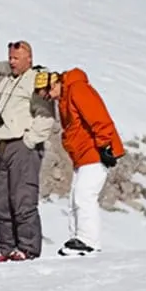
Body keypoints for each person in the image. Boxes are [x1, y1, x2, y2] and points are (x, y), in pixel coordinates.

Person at [40, 69, 124, 256]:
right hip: (82, 156)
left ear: (53, 84)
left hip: (95, 152)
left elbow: (98, 117)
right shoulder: (63, 98)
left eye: (45, 92)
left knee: (84, 195)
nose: (46, 97)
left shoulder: (77, 89)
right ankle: (77, 239)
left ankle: (89, 241)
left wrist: (104, 146)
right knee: (74, 199)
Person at [0, 40, 57, 261]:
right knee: (2, 200)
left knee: (22, 198)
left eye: (16, 58)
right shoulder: (6, 82)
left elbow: (45, 114)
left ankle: (27, 248)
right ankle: (7, 247)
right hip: (2, 146)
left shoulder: (35, 80)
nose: (11, 62)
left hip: (21, 145)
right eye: (10, 57)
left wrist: (29, 141)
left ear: (29, 58)